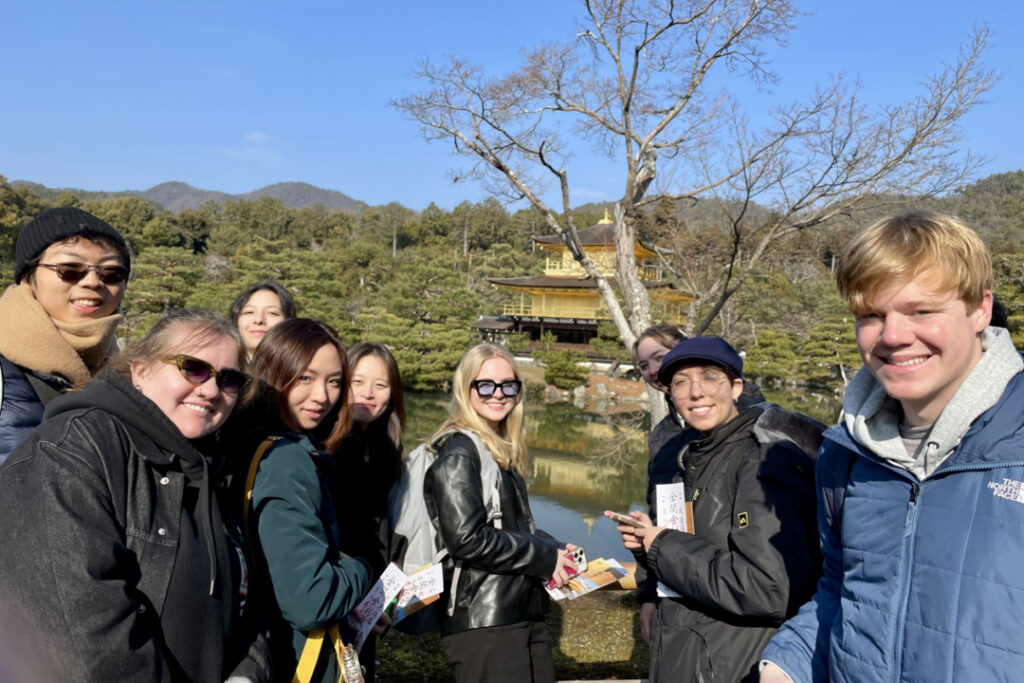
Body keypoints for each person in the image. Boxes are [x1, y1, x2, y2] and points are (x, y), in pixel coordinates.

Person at [761, 213, 1024, 682]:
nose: (894, 336)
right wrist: (784, 664)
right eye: (871, 316)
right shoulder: (846, 451)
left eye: (922, 311)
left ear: (980, 309)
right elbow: (844, 588)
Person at [0, 309, 269, 682]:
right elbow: (80, 632)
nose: (210, 389)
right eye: (193, 367)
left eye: (229, 379)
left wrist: (248, 675)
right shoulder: (72, 451)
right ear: (140, 371)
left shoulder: (214, 470)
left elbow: (248, 602)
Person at [608, 336, 822, 683]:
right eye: (681, 382)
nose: (695, 392)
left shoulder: (763, 458)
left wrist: (662, 544)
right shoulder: (689, 452)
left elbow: (767, 587)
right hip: (688, 651)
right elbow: (698, 542)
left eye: (710, 377)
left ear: (736, 387)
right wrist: (648, 543)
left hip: (733, 663)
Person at [423, 343, 577, 683]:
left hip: (519, 612)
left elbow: (511, 525)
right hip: (485, 621)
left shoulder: (498, 448)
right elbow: (467, 540)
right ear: (467, 388)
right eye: (486, 385)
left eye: (508, 385)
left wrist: (557, 549)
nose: (498, 394)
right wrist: (544, 555)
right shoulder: (460, 451)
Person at [239, 318, 374, 682]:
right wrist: (361, 568)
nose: (322, 396)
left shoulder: (247, 442)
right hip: (298, 660)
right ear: (272, 372)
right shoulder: (287, 459)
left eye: (333, 382)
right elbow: (310, 601)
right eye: (305, 378)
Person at [632, 325, 767, 644]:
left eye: (660, 358)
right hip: (679, 592)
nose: (653, 371)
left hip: (735, 613)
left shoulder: (750, 422)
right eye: (643, 365)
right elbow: (663, 515)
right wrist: (648, 593)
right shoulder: (664, 437)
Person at [0, 206, 130, 464]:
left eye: (111, 274)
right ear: (27, 278)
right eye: (69, 269)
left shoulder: (127, 376)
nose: (93, 282)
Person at [333, 342, 406, 681]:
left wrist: (385, 594)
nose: (368, 393)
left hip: (368, 597)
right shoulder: (324, 445)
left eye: (381, 385)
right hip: (335, 590)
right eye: (357, 381)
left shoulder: (385, 448)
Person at [229, 280, 296, 359]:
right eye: (249, 312)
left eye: (272, 313)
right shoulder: (217, 368)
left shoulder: (305, 369)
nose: (258, 320)